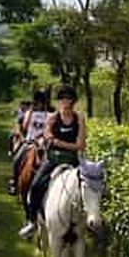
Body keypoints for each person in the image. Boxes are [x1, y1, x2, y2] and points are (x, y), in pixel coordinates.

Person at [19, 84, 85, 238]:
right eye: (62, 98)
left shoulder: (79, 118)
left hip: (73, 160)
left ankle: (88, 222)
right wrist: (70, 145)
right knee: (35, 186)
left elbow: (81, 144)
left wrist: (59, 143)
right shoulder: (52, 117)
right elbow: (49, 137)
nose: (65, 101)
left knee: (91, 186)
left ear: (73, 101)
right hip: (53, 159)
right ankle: (32, 221)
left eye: (68, 98)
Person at [8, 91, 47, 195]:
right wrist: (29, 114)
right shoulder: (30, 113)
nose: (36, 105)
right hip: (30, 141)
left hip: (43, 143)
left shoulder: (49, 114)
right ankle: (14, 181)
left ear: (43, 104)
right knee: (18, 157)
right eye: (35, 103)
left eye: (38, 103)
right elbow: (25, 126)